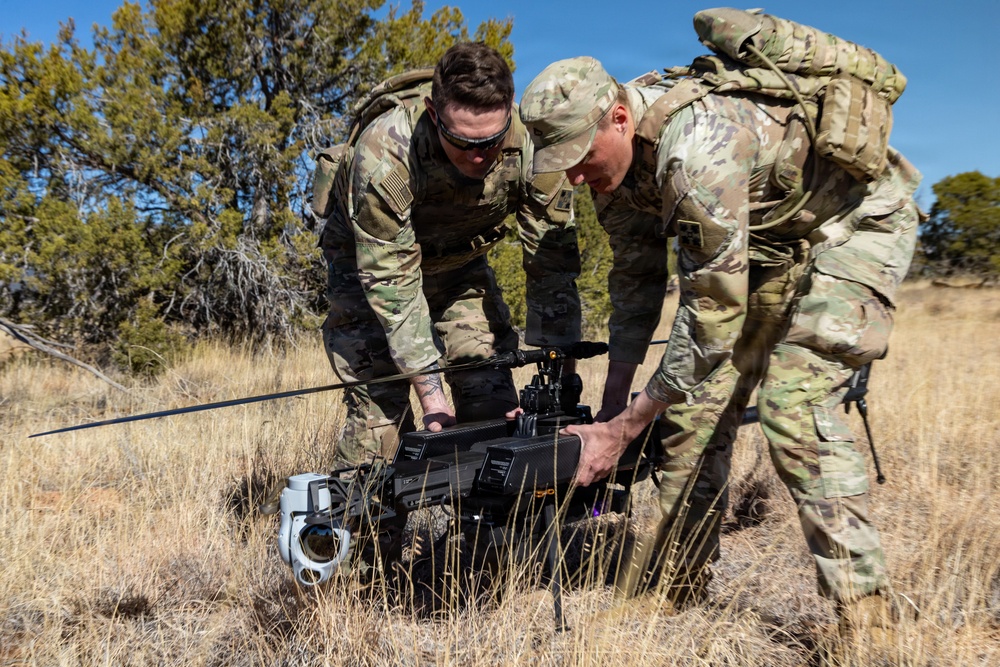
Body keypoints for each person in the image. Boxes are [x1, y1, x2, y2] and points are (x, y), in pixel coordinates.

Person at [518, 54, 921, 630]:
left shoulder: (696, 152)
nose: (575, 177)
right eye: (562, 164)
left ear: (619, 119)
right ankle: (676, 584)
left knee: (794, 407)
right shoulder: (612, 177)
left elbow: (712, 313)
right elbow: (635, 281)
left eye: (581, 156)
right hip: (768, 242)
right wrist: (614, 407)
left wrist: (624, 430)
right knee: (691, 415)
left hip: (856, 225)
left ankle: (868, 616)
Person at [319, 42, 581, 464]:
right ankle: (358, 507)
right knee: (381, 422)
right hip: (369, 274)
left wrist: (562, 376)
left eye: (491, 141)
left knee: (492, 408)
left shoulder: (534, 143)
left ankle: (480, 509)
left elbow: (552, 263)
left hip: (460, 269)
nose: (478, 156)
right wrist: (433, 398)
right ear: (433, 112)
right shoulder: (385, 153)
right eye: (461, 141)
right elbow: (392, 283)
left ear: (509, 109)